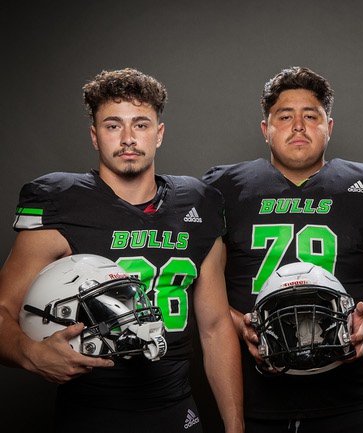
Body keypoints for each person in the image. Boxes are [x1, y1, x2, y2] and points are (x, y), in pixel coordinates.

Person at [0, 68, 244, 433]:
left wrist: (234, 424)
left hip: (177, 409)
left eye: (141, 125)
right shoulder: (62, 203)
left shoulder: (199, 202)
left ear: (159, 134)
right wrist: (29, 353)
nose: (128, 138)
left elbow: (214, 326)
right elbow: (3, 310)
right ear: (95, 136)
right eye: (113, 125)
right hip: (92, 412)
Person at [202, 66, 363, 433]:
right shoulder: (224, 188)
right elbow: (205, 291)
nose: (298, 126)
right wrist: (240, 326)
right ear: (266, 129)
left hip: (351, 398)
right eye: (285, 116)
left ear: (329, 127)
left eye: (311, 116)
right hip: (256, 398)